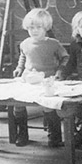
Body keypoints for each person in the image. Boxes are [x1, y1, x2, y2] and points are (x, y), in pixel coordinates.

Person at [12, 8, 69, 147]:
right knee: (18, 104)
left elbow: (65, 57)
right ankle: (22, 135)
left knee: (48, 107)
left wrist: (60, 71)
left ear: (46, 27)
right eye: (31, 27)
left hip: (47, 79)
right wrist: (19, 68)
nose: (34, 30)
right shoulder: (25, 43)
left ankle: (54, 137)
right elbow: (23, 56)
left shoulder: (53, 43)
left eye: (38, 27)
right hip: (29, 78)